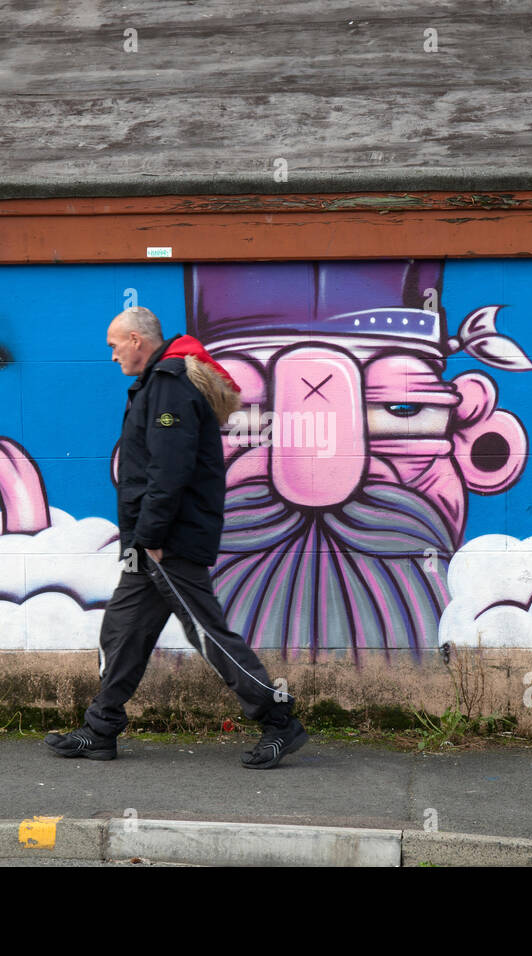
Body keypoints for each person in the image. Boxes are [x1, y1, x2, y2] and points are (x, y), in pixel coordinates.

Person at [45, 306, 307, 769]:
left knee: (208, 634)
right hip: (149, 542)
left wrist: (151, 536)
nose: (112, 356)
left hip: (168, 540)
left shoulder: (169, 387)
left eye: (114, 346)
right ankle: (101, 729)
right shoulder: (158, 383)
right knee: (122, 630)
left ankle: (278, 719)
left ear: (135, 340)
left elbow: (170, 471)